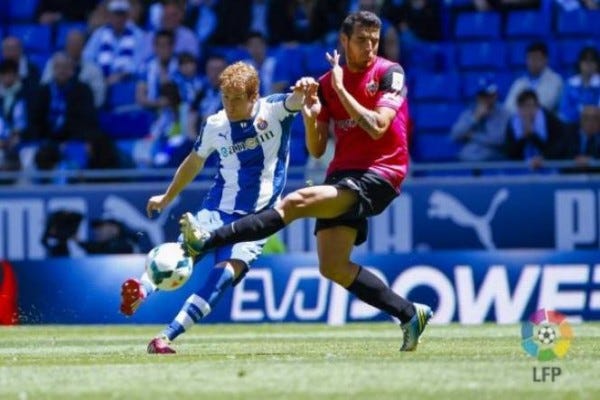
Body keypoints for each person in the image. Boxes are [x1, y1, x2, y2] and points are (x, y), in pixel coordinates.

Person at [178, 11, 433, 352]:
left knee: (295, 203)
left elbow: (377, 126)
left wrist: (341, 89)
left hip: (381, 172)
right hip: (343, 173)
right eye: (361, 40)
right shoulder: (326, 84)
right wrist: (312, 116)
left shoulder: (390, 73)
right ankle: (408, 313)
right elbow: (316, 149)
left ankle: (207, 240)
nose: (370, 47)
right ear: (344, 41)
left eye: (374, 40)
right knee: (333, 266)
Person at [119, 61, 316, 354]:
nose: (231, 105)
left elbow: (298, 99)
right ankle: (141, 290)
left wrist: (306, 86)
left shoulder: (274, 110)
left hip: (256, 220)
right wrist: (167, 196)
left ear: (253, 96)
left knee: (222, 276)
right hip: (217, 209)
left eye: (237, 99)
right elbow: (194, 162)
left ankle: (165, 337)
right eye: (226, 98)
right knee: (182, 254)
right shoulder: (216, 125)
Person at [450, 76, 511, 161]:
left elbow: (499, 140)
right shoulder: (470, 112)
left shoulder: (504, 114)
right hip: (467, 160)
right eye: (482, 95)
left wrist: (472, 136)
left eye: (489, 95)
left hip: (493, 161)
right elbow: (455, 134)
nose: (486, 99)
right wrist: (475, 118)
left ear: (495, 95)